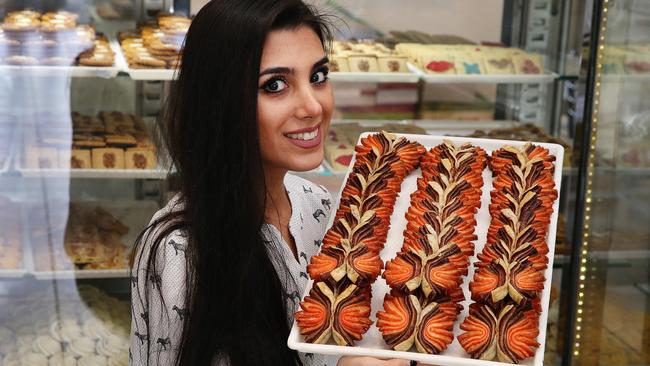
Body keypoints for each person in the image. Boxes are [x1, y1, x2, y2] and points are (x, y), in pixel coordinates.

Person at [129, 1, 413, 365]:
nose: (313, 106)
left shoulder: (322, 206)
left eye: (318, 76)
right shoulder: (179, 253)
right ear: (221, 101)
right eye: (276, 85)